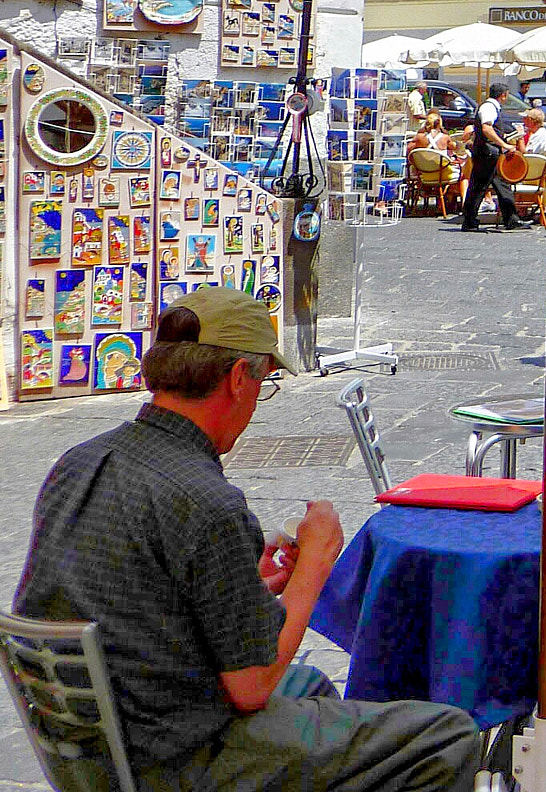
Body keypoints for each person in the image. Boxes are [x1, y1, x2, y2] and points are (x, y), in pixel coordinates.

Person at [14, 290, 479, 791]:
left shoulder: (77, 463)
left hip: (92, 745)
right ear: (238, 378)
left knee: (313, 689)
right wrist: (314, 567)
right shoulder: (206, 501)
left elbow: (132, 598)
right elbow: (252, 687)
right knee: (448, 736)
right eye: (264, 382)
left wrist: (243, 586)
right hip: (176, 759)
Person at [459, 83, 526, 232]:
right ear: (503, 95)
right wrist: (504, 144)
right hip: (487, 153)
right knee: (479, 187)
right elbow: (487, 128)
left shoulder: (490, 107)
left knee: (502, 185)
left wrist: (506, 138)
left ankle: (511, 219)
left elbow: (491, 129)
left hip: (490, 153)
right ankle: (469, 221)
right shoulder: (489, 107)